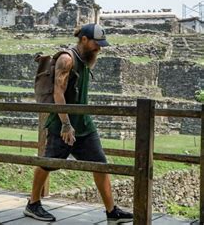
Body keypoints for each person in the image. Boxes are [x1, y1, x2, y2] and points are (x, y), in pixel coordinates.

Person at [24, 24, 134, 223]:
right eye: (96, 43)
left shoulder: (86, 59)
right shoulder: (67, 59)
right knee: (48, 163)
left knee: (100, 165)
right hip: (63, 124)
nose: (99, 48)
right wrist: (66, 124)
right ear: (84, 39)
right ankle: (33, 203)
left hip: (84, 124)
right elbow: (58, 92)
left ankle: (112, 212)